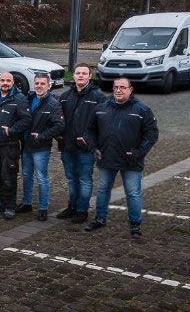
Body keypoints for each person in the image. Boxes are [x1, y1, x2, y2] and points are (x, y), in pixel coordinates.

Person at [85, 77, 158, 237]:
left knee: (132, 193)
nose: (118, 90)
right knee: (103, 190)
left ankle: (135, 224)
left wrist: (139, 152)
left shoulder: (142, 110)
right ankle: (100, 218)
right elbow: (90, 131)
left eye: (123, 87)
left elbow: (152, 134)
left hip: (131, 160)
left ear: (130, 90)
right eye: (116, 87)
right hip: (106, 158)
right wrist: (94, 148)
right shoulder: (101, 108)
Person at [55, 64, 107, 224]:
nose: (81, 76)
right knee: (71, 179)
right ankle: (72, 206)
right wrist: (58, 135)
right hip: (67, 145)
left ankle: (82, 210)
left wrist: (90, 141)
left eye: (84, 73)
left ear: (89, 76)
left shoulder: (98, 97)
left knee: (84, 179)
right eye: (78, 73)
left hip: (85, 148)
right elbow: (58, 119)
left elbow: (103, 123)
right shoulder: (64, 96)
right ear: (74, 76)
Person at [0, 73, 32, 219]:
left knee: (8, 176)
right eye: (2, 80)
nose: (5, 83)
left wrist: (11, 130)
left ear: (12, 83)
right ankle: (0, 201)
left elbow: (26, 120)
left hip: (9, 145)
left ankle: (10, 206)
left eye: (8, 81)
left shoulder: (19, 99)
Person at [20, 74, 65, 221]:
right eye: (37, 83)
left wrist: (41, 136)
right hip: (26, 145)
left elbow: (59, 125)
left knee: (41, 178)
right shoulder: (29, 98)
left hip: (41, 147)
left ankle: (43, 208)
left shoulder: (53, 104)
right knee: (26, 175)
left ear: (48, 85)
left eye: (42, 84)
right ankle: (27, 203)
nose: (39, 86)